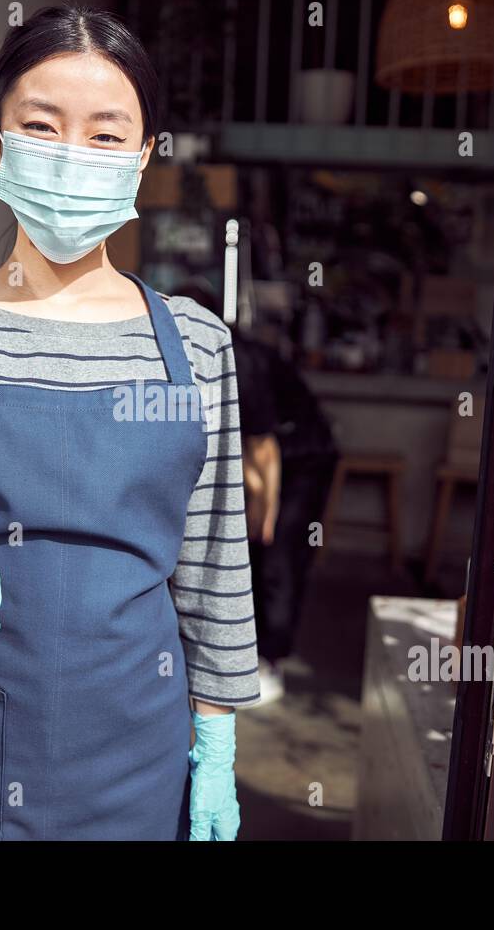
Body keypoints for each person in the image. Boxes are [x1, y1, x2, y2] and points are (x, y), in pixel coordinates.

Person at [0, 5, 258, 841]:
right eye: (41, 126)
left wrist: (216, 743)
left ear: (142, 157)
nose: (73, 155)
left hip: (137, 754)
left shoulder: (197, 346)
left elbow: (215, 563)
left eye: (106, 136)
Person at [173, 282, 339, 705]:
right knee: (250, 552)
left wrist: (265, 511)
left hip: (301, 457)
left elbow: (263, 450)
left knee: (277, 554)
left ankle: (272, 661)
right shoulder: (193, 357)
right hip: (259, 456)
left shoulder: (239, 361)